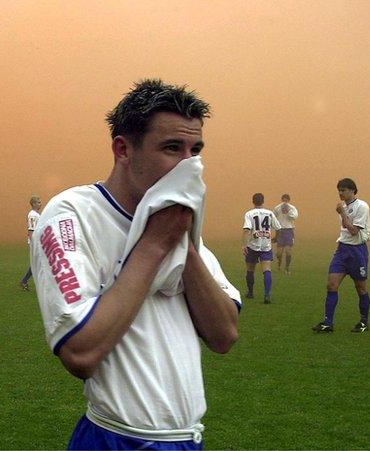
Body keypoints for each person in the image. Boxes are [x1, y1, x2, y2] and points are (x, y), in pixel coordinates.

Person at [30, 79, 241, 449]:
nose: (189, 166)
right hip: (116, 439)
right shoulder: (73, 214)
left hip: (187, 440)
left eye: (196, 150)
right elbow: (80, 352)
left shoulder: (178, 220)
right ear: (123, 149)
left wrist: (183, 243)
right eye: (172, 148)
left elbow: (224, 335)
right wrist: (155, 244)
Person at [313, 178, 370, 333]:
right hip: (342, 251)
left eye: (344, 190)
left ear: (353, 190)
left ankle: (363, 322)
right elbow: (345, 232)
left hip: (357, 251)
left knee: (361, 288)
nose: (340, 193)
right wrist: (339, 248)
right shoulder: (343, 206)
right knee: (331, 285)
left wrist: (343, 212)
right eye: (339, 190)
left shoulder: (362, 206)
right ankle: (328, 323)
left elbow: (353, 231)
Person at [242, 193, 281, 303]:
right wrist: (276, 238)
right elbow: (278, 227)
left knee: (250, 269)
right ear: (263, 201)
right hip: (266, 245)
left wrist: (244, 244)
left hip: (252, 245)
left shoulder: (249, 214)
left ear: (253, 201)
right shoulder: (269, 213)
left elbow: (246, 230)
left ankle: (250, 292)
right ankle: (267, 294)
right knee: (267, 270)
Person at [19, 195, 42, 290]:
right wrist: (34, 243)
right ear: (33, 204)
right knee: (38, 263)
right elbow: (31, 229)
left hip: (38, 242)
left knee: (38, 263)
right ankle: (24, 281)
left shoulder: (36, 214)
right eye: (39, 202)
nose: (40, 204)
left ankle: (24, 281)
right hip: (36, 243)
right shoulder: (33, 215)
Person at [273, 194, 299, 274]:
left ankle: (287, 268)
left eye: (286, 200)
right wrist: (276, 229)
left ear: (288, 200)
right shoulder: (277, 208)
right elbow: (273, 218)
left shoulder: (292, 208)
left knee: (288, 251)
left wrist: (288, 212)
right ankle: (279, 262)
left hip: (289, 231)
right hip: (280, 231)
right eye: (283, 200)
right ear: (282, 200)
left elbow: (294, 217)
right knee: (279, 253)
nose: (285, 202)